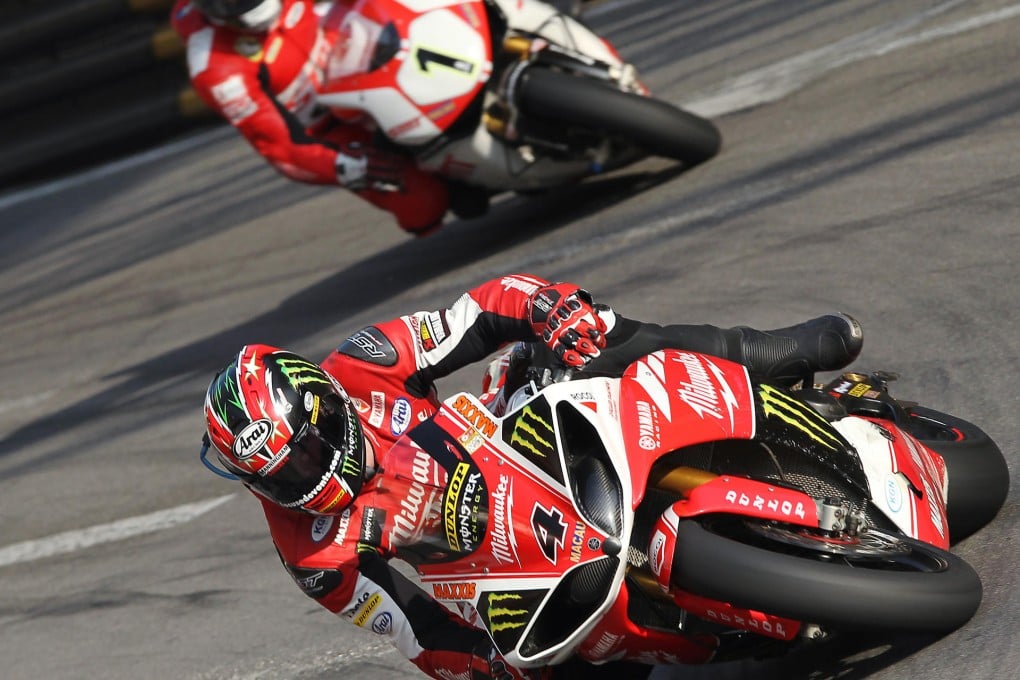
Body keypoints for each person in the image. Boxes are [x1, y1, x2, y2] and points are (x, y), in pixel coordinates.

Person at [202, 273, 863, 680]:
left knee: (598, 336)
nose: (303, 480)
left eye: (306, 455)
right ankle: (729, 637)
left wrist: (546, 307)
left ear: (325, 406)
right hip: (504, 571)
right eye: (279, 478)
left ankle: (766, 353)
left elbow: (479, 313)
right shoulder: (313, 555)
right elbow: (415, 632)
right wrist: (481, 665)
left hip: (512, 437)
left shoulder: (365, 363)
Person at [171, 0, 454, 236]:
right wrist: (346, 166)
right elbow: (280, 146)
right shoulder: (215, 69)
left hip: (379, 51)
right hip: (330, 126)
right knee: (423, 205)